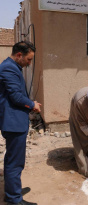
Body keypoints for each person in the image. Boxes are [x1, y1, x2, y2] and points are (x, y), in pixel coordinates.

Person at [0, 41, 41, 205]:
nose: (29, 63)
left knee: (12, 159)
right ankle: (14, 199)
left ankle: (11, 193)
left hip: (13, 121)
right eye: (29, 59)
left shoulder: (11, 66)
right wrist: (32, 104)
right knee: (15, 163)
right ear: (19, 55)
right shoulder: (9, 68)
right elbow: (16, 97)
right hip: (13, 123)